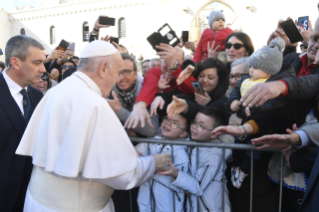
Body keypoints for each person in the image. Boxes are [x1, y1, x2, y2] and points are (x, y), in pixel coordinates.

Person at [15, 40, 171, 212]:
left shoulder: (57, 90)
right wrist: (152, 163)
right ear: (104, 68)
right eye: (117, 72)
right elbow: (122, 176)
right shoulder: (95, 104)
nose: (117, 80)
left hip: (36, 201)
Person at [226, 37, 293, 188]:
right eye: (251, 67)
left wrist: (256, 109)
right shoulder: (246, 81)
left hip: (261, 129)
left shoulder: (273, 86)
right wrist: (234, 102)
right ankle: (235, 163)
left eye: (255, 68)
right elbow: (235, 93)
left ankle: (243, 171)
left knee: (253, 151)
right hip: (244, 123)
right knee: (238, 143)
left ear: (269, 73)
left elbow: (273, 106)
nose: (250, 71)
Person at [0, 35, 45, 212]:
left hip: (30, 197)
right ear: (16, 63)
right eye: (36, 63)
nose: (43, 69)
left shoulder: (36, 96)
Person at [159, 107, 233, 212]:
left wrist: (176, 174)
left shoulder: (213, 156)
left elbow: (196, 187)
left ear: (215, 133)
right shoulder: (197, 144)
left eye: (201, 126)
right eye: (194, 122)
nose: (194, 127)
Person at [135, 114, 189, 212]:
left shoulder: (181, 153)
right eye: (166, 119)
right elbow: (133, 153)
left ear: (183, 134)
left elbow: (183, 183)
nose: (168, 123)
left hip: (168, 203)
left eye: (175, 123)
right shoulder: (151, 141)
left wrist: (149, 166)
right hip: (145, 200)